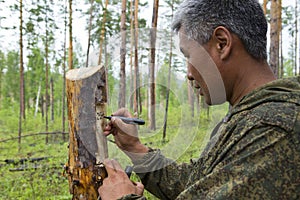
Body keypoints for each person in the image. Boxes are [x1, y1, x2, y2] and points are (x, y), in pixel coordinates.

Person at [98, 0, 300, 199]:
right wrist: (134, 147)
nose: (188, 73)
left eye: (189, 56)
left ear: (222, 43)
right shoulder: (249, 117)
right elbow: (199, 184)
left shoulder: (273, 129)